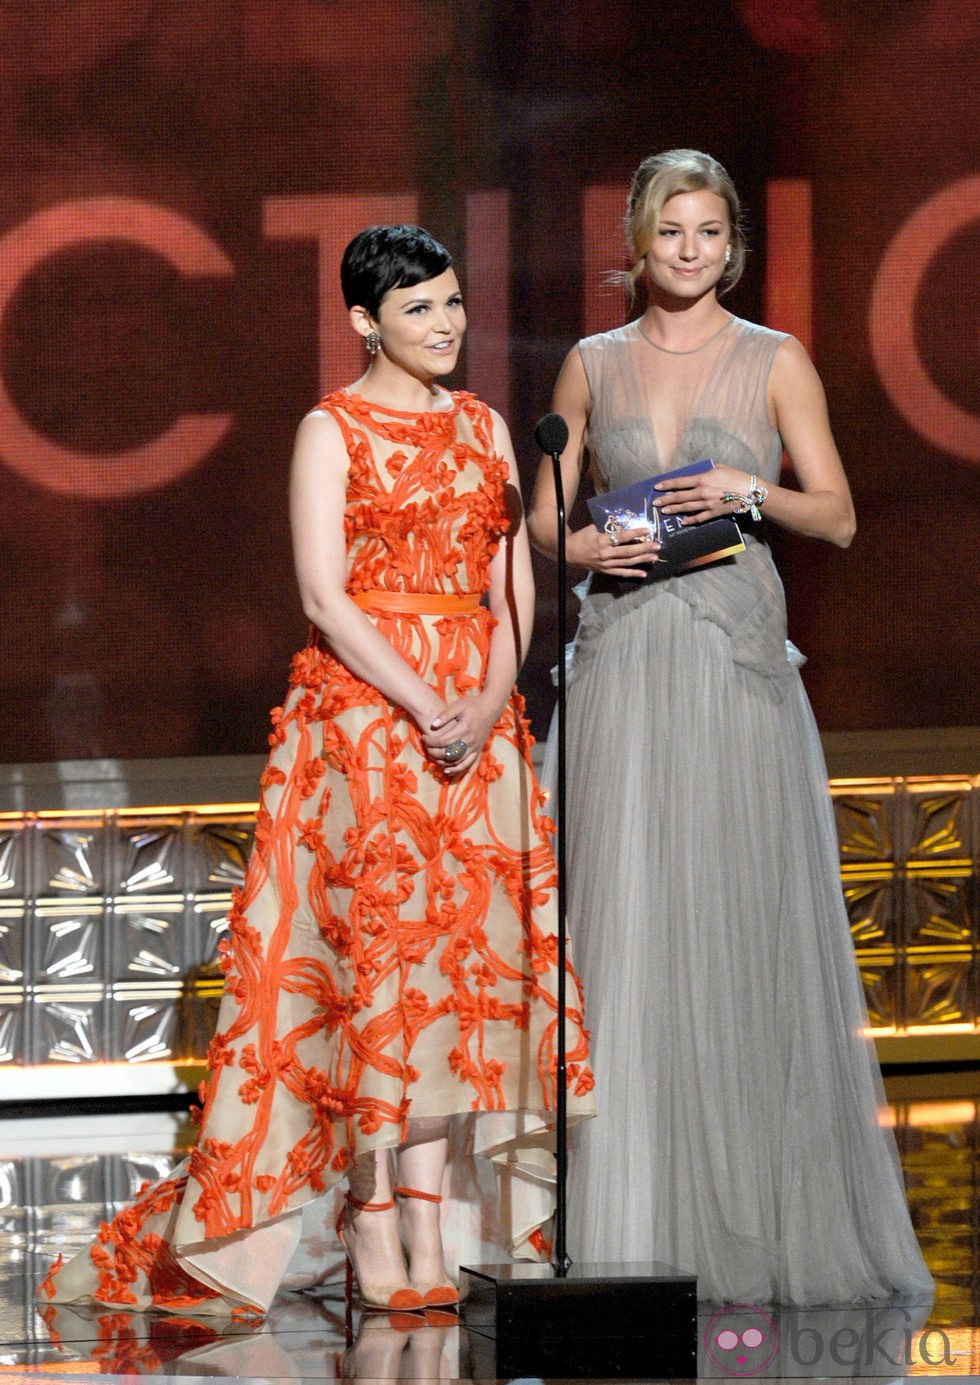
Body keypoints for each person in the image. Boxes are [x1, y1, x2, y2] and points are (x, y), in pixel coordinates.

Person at [38, 224, 594, 1321]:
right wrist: (420, 697)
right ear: (361, 322)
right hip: (361, 724)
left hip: (476, 727)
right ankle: (373, 1213)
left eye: (450, 304)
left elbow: (509, 579)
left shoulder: (485, 426)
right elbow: (324, 595)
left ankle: (435, 1215)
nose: (445, 326)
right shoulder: (328, 431)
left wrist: (485, 700)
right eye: (418, 310)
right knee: (378, 969)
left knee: (458, 976)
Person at [527, 149, 932, 1306]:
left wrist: (748, 495)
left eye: (707, 231)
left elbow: (839, 515)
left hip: (729, 670)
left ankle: (746, 1212)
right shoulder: (592, 363)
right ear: (637, 243)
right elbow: (546, 513)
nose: (688, 251)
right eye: (669, 232)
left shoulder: (775, 359)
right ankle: (625, 1218)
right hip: (621, 668)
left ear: (731, 243)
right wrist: (583, 545)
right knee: (626, 933)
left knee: (729, 929)